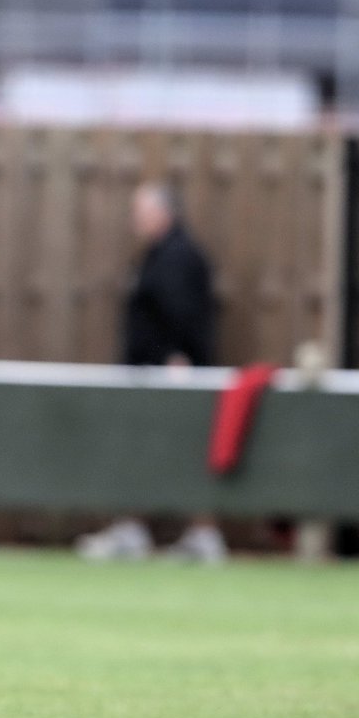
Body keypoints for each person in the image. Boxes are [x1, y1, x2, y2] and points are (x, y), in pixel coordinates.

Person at [77, 180, 227, 564]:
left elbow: (185, 313)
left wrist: (178, 357)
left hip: (171, 374)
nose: (135, 221)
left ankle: (203, 533)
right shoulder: (158, 254)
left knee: (183, 451)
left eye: (141, 212)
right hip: (148, 372)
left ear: (165, 213)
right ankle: (134, 528)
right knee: (142, 449)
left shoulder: (178, 255)